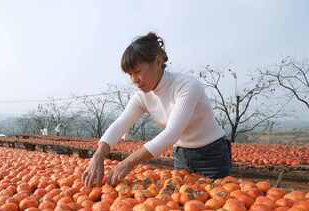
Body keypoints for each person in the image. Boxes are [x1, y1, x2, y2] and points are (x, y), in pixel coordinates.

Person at [83, 32, 231, 187]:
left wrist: (128, 163)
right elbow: (121, 123)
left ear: (158, 62)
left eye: (138, 72)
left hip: (212, 155)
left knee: (214, 205)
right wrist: (98, 155)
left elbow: (172, 133)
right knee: (184, 205)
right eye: (130, 74)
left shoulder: (186, 86)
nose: (134, 80)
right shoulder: (143, 96)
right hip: (181, 155)